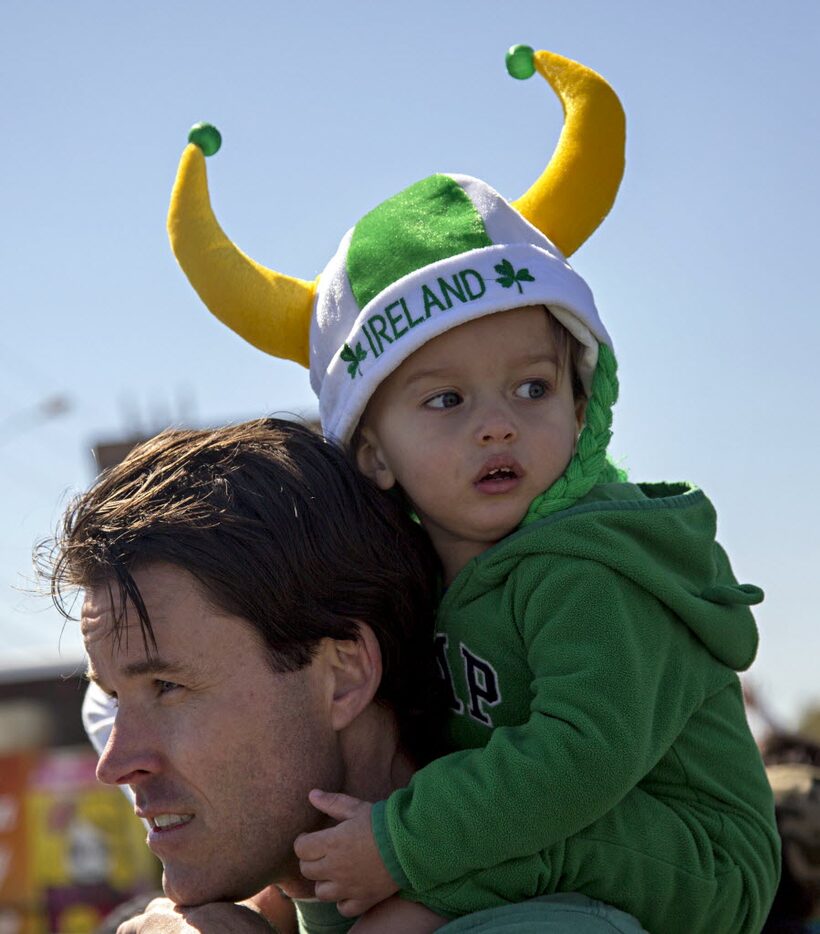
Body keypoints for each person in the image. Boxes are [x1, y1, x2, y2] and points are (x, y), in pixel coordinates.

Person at [165, 43, 781, 933]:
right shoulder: (417, 572)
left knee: (400, 896)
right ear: (373, 452)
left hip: (693, 855)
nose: (497, 425)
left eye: (532, 388)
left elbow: (581, 756)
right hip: (558, 831)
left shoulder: (589, 562)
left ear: (583, 399)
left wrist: (402, 847)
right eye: (446, 399)